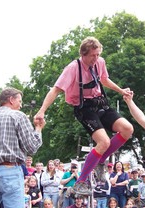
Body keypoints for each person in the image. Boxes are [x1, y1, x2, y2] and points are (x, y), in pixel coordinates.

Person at [35, 36, 133, 195]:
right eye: (93, 55)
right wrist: (42, 110)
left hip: (101, 103)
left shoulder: (100, 62)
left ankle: (101, 160)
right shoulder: (73, 68)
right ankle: (81, 182)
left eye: (98, 54)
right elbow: (55, 90)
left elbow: (105, 79)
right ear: (83, 54)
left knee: (128, 129)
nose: (96, 58)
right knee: (104, 141)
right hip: (84, 107)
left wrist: (121, 91)